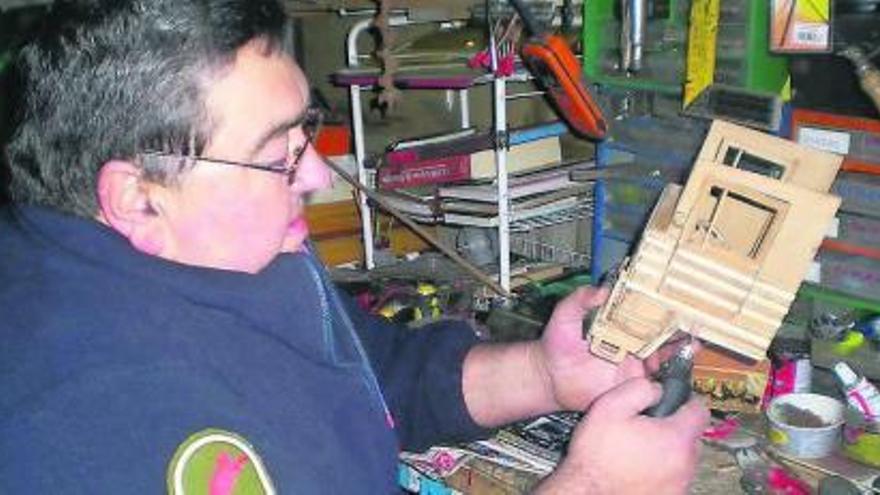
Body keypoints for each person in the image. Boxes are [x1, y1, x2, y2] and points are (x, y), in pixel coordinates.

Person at [0, 0, 708, 493]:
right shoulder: (76, 418)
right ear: (136, 197)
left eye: (302, 132)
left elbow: (369, 376)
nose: (312, 173)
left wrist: (545, 375)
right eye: (274, 153)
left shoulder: (223, 252)